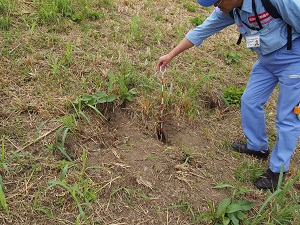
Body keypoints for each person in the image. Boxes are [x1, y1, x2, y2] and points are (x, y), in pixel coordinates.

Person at [157, 0, 300, 190]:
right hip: (266, 62)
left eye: (218, 1)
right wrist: (171, 55)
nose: (216, 6)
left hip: (294, 60)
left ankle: (278, 170)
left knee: (287, 117)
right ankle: (257, 147)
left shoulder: (274, 1)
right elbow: (201, 31)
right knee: (249, 101)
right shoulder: (231, 9)